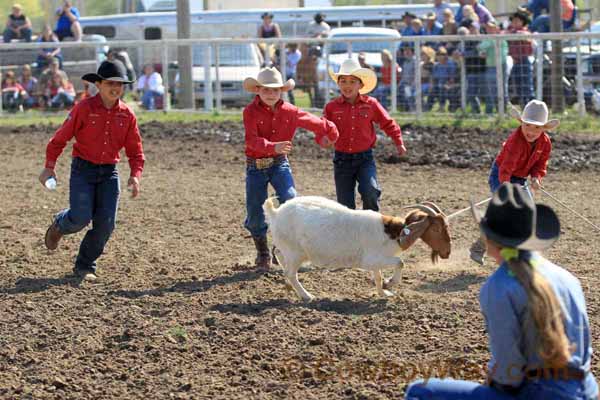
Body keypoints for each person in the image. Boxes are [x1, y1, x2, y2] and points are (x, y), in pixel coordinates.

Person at [407, 182, 598, 400]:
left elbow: (510, 375)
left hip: (541, 393)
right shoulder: (568, 278)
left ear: (487, 237)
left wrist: (492, 382)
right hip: (586, 389)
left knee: (420, 391)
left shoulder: (499, 287)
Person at [39, 60, 144, 282]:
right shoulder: (83, 109)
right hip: (83, 170)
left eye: (120, 84)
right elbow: (59, 139)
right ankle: (60, 224)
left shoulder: (127, 115)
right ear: (99, 84)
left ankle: (85, 264)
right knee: (79, 218)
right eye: (110, 83)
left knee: (106, 224)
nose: (115, 88)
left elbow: (135, 151)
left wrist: (135, 175)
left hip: (109, 173)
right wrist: (49, 167)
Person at [242, 67, 338, 270]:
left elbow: (317, 123)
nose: (271, 94)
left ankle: (283, 248)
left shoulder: (291, 112)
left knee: (290, 198)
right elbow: (251, 140)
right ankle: (263, 253)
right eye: (266, 90)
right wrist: (271, 146)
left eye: (275, 90)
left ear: (281, 91)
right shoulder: (249, 112)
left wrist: (331, 133)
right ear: (257, 90)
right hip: (255, 166)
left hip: (279, 164)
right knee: (255, 211)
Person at [470, 100, 559, 265]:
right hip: (501, 176)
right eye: (527, 126)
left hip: (520, 178)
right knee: (507, 213)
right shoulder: (515, 141)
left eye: (536, 128)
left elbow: (541, 164)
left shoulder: (545, 143)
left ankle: (521, 252)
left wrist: (536, 177)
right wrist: (505, 187)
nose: (531, 131)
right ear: (521, 123)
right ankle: (480, 247)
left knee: (528, 213)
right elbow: (506, 167)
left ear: (544, 129)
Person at [324, 58, 406, 212]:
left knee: (371, 191)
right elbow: (323, 129)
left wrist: (398, 141)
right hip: (342, 160)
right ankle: (351, 233)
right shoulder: (331, 107)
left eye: (352, 81)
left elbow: (388, 123)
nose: (347, 85)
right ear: (338, 84)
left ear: (360, 85)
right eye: (343, 81)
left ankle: (372, 224)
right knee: (345, 206)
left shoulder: (371, 104)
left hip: (365, 158)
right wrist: (323, 140)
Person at [478, 21, 508, 114]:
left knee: (502, 89)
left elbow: (502, 54)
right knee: (490, 90)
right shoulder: (487, 38)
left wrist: (485, 48)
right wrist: (483, 51)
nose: (489, 29)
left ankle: (502, 111)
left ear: (497, 28)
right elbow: (480, 48)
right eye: (488, 28)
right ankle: (489, 111)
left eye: (491, 27)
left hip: (501, 66)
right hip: (490, 66)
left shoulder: (501, 39)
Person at [507, 10, 534, 107]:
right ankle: (523, 105)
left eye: (517, 21)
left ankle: (529, 105)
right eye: (513, 21)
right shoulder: (510, 31)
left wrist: (515, 33)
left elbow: (526, 36)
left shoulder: (525, 32)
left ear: (523, 22)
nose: (514, 23)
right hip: (515, 61)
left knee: (526, 85)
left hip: (524, 60)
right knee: (517, 85)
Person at [425, 47, 459, 112]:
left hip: (449, 83)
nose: (440, 57)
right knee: (432, 90)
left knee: (442, 88)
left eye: (442, 55)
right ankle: (427, 109)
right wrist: (431, 85)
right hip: (438, 83)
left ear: (445, 55)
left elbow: (452, 78)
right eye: (438, 55)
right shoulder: (436, 65)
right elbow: (433, 77)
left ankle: (442, 107)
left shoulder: (450, 64)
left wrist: (448, 84)